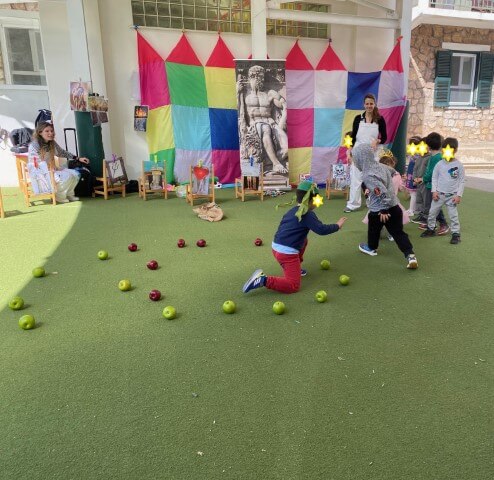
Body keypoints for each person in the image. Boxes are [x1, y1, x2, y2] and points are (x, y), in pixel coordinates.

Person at [243, 181, 347, 294]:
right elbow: (321, 230)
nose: (318, 202)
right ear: (309, 200)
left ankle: (296, 268)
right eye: (317, 199)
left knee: (304, 240)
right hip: (286, 254)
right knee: (293, 286)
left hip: (276, 247)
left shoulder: (292, 211)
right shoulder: (307, 214)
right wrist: (337, 226)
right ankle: (263, 280)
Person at [353, 144, 418, 269]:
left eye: (355, 160)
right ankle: (410, 255)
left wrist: (383, 209)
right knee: (398, 233)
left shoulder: (368, 175)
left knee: (373, 230)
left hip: (379, 211)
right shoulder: (381, 166)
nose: (355, 163)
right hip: (394, 207)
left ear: (361, 159)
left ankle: (371, 248)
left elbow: (380, 191)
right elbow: (393, 171)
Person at [237, 65, 288, 174]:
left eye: (261, 77)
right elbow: (236, 110)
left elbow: (284, 105)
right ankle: (276, 164)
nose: (259, 79)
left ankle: (266, 163)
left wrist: (282, 121)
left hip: (271, 123)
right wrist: (237, 93)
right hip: (254, 126)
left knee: (287, 148)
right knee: (264, 128)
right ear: (250, 77)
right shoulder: (245, 94)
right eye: (256, 77)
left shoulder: (269, 93)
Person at [344, 93, 387, 213]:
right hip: (358, 153)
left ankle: (375, 202)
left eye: (371, 104)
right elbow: (353, 138)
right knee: (355, 179)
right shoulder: (358, 118)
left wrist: (377, 141)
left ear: (374, 104)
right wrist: (349, 153)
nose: (369, 106)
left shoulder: (380, 119)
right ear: (364, 104)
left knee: (373, 179)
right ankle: (353, 204)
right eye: (367, 104)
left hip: (373, 154)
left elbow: (384, 137)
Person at [28, 122, 90, 203]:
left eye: (51, 131)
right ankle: (59, 196)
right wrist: (50, 169)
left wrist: (78, 158)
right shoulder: (34, 145)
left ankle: (69, 194)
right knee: (67, 176)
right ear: (40, 132)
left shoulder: (52, 143)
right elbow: (35, 162)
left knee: (75, 174)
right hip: (40, 173)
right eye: (47, 131)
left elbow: (61, 152)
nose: (50, 133)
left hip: (51, 169)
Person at [420, 137, 465, 244]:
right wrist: (434, 191)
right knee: (432, 213)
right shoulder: (439, 164)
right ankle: (431, 229)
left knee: (453, 216)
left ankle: (456, 234)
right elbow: (434, 178)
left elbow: (462, 181)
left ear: (455, 150)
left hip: (452, 196)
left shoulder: (459, 165)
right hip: (439, 195)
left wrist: (458, 195)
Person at [419, 132, 449, 235]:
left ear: (430, 145)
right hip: (433, 185)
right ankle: (432, 223)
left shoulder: (436, 157)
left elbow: (432, 172)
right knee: (433, 206)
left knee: (435, 207)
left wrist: (423, 179)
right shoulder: (435, 156)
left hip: (435, 187)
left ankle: (443, 224)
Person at [410, 136, 431, 223]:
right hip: (418, 183)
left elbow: (429, 171)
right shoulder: (419, 158)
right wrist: (414, 178)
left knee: (426, 201)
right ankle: (421, 215)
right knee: (419, 199)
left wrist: (422, 179)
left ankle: (426, 217)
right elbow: (415, 169)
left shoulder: (429, 158)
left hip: (425, 183)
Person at [405, 135, 421, 216]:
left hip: (414, 176)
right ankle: (412, 209)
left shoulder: (416, 155)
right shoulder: (415, 154)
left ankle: (411, 210)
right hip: (411, 174)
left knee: (413, 193)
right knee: (413, 193)